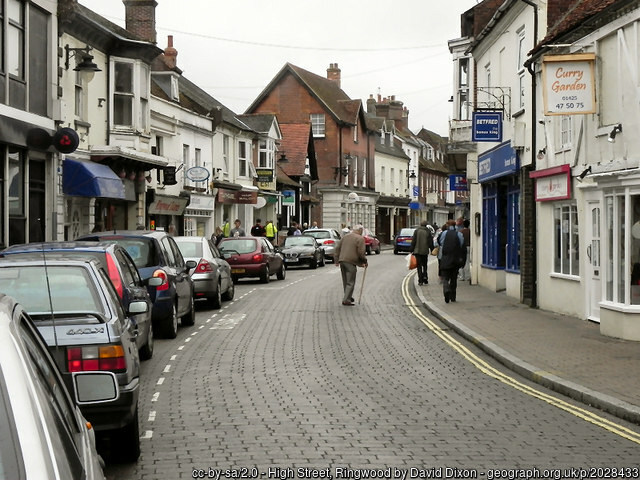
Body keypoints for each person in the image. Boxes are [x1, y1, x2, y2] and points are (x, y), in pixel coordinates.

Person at [333, 224, 368, 306]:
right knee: (350, 281)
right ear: (360, 230)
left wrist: (336, 260)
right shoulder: (360, 238)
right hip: (351, 262)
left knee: (345, 281)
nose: (362, 232)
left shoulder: (345, 237)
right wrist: (364, 261)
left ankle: (348, 296)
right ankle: (346, 300)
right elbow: (361, 253)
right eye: (362, 231)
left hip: (342, 261)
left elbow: (337, 248)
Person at [438, 219, 465, 303]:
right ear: (455, 226)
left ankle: (446, 289)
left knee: (445, 277)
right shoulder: (459, 234)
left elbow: (439, 242)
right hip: (455, 259)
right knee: (454, 278)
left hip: (445, 259)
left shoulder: (443, 234)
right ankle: (453, 297)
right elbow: (461, 245)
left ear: (447, 225)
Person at [410, 220, 434, 286]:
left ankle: (420, 280)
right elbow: (430, 242)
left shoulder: (417, 231)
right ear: (426, 225)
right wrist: (432, 249)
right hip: (425, 251)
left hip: (417, 251)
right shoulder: (428, 231)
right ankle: (425, 277)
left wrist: (411, 249)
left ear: (420, 224)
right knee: (425, 265)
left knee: (419, 266)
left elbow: (413, 241)